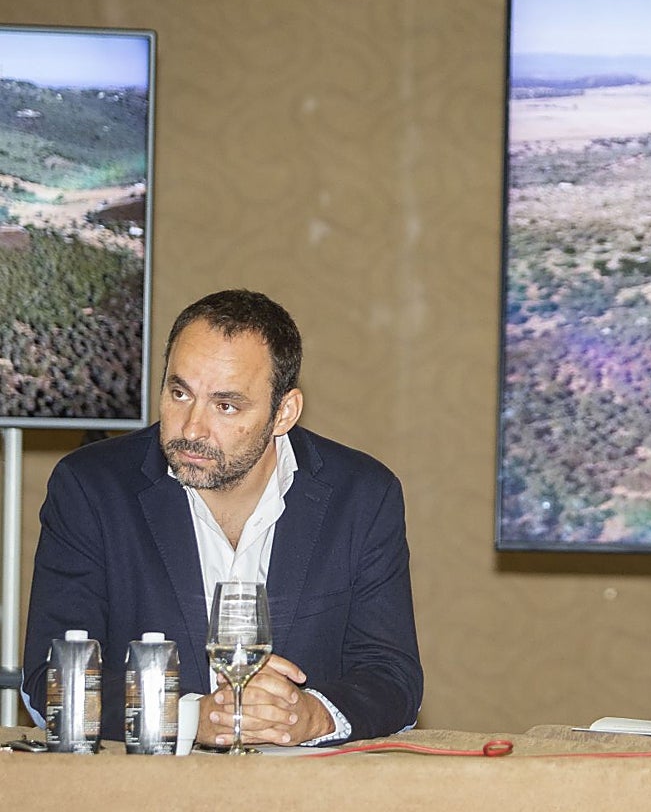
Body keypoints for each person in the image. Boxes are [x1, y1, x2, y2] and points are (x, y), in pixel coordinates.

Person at [22, 289, 422, 746]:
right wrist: (190, 716)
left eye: (226, 405)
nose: (191, 428)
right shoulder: (91, 488)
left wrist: (313, 716)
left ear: (283, 413)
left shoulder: (362, 496)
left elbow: (394, 679)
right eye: (179, 393)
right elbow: (48, 682)